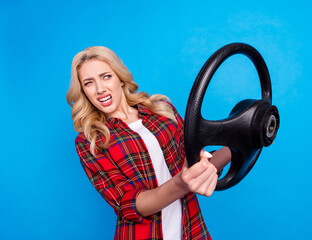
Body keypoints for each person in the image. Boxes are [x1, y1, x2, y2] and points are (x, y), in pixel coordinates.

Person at [66, 46, 231, 240]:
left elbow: (198, 164)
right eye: (89, 83)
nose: (100, 89)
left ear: (120, 77)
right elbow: (128, 205)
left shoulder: (162, 112)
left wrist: (244, 141)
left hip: (192, 231)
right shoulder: (90, 142)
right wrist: (182, 183)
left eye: (106, 76)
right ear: (83, 90)